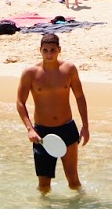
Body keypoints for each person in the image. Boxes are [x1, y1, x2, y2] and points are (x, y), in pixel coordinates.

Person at [17, 33, 89, 192]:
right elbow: (20, 102)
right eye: (45, 50)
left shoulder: (69, 69)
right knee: (44, 185)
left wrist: (85, 126)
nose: (49, 54)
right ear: (40, 50)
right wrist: (30, 129)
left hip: (67, 129)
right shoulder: (31, 73)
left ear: (59, 50)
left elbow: (80, 97)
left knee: (73, 181)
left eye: (53, 50)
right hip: (41, 133)